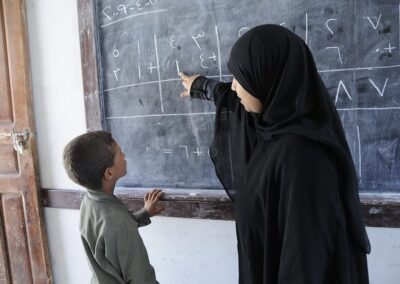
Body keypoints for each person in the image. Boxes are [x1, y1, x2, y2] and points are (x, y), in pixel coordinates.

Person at [179, 24, 370, 283]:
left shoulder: (302, 160)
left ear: (266, 78)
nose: (234, 87)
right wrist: (202, 86)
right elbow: (234, 99)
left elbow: (303, 268)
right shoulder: (276, 127)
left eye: (240, 77)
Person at [63, 131, 163, 284]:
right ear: (109, 173)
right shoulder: (119, 222)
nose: (124, 155)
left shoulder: (89, 202)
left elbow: (111, 238)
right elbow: (141, 279)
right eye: (120, 153)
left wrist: (145, 213)